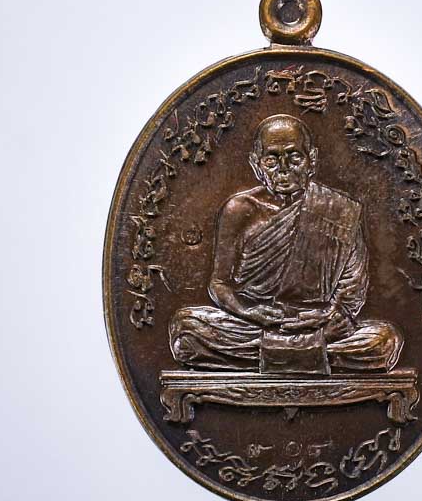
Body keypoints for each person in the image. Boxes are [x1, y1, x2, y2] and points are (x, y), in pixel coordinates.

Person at [169, 114, 403, 372]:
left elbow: (351, 293)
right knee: (186, 331)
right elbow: (219, 284)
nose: (283, 169)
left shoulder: (341, 210)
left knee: (384, 341)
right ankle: (310, 354)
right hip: (255, 324)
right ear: (256, 164)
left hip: (316, 325)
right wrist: (249, 312)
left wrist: (332, 316)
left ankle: (268, 357)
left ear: (311, 160)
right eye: (271, 160)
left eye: (294, 158)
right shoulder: (239, 209)